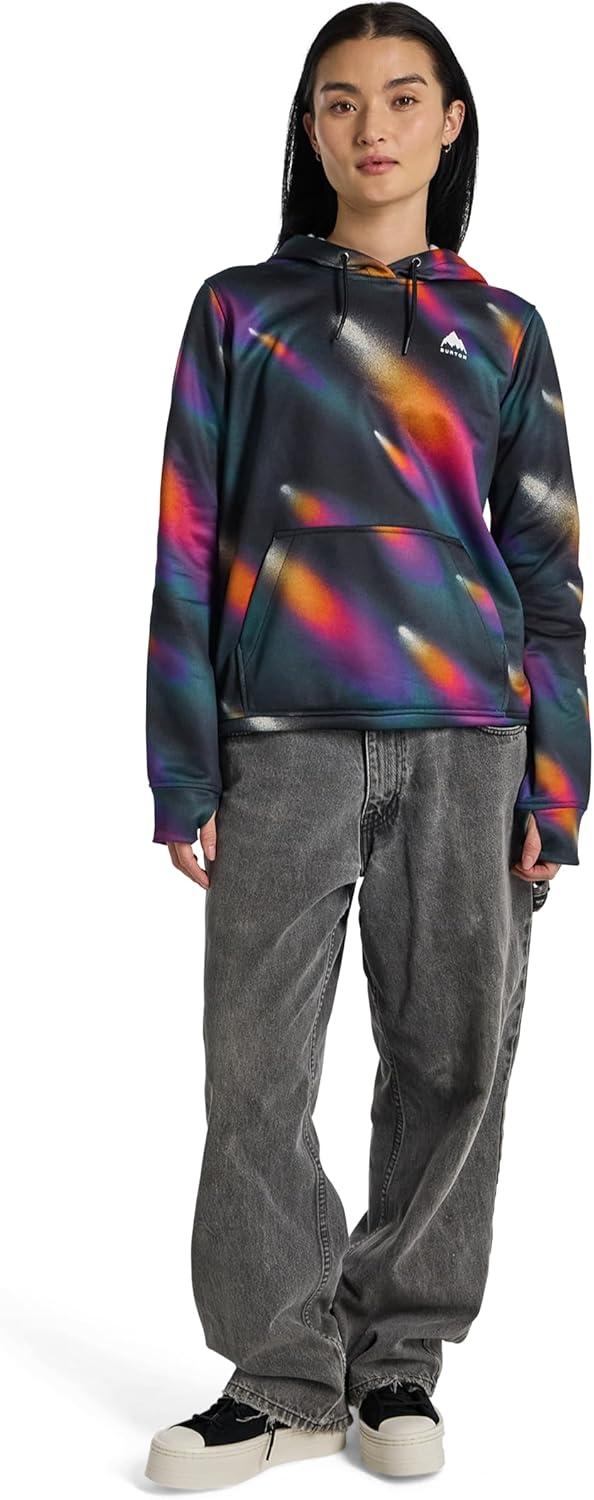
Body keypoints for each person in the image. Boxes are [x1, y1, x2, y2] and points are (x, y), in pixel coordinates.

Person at [144, 3, 590, 1486]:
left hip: (471, 743)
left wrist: (558, 781)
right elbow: (188, 546)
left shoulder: (504, 332)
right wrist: (181, 765)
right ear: (311, 126)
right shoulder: (241, 313)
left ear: (450, 123)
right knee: (255, 1078)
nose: (372, 126)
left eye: (403, 98)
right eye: (340, 101)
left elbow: (547, 574)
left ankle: (398, 1361)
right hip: (278, 742)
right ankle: (281, 1379)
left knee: (454, 1062)